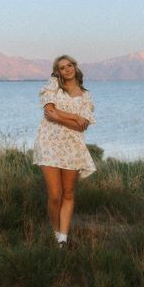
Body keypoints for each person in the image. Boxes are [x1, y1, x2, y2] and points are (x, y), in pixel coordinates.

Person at [33, 54, 97, 248]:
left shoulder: (86, 96)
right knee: (54, 194)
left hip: (72, 146)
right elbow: (48, 111)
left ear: (75, 67)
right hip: (49, 143)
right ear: (57, 71)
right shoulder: (52, 85)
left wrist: (61, 118)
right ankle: (55, 231)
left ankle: (63, 238)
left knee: (68, 193)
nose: (67, 69)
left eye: (70, 65)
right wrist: (74, 117)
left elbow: (81, 126)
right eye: (62, 67)